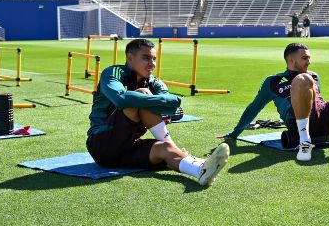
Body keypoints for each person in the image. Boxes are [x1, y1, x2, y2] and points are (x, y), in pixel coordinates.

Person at [86, 39, 229, 187]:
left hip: (127, 147)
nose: (152, 64)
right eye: (146, 58)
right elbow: (122, 100)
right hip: (101, 144)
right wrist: (158, 101)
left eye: (154, 59)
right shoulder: (113, 73)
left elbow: (172, 107)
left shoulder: (153, 82)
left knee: (165, 149)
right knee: (141, 94)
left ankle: (200, 169)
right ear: (130, 58)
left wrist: (164, 103)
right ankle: (189, 157)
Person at [224, 43, 329, 162]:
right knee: (303, 79)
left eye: (309, 58)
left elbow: (316, 102)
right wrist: (235, 133)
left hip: (326, 119)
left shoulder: (313, 75)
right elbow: (254, 107)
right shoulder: (273, 81)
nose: (309, 62)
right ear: (291, 60)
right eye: (305, 58)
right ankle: (305, 143)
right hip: (296, 125)